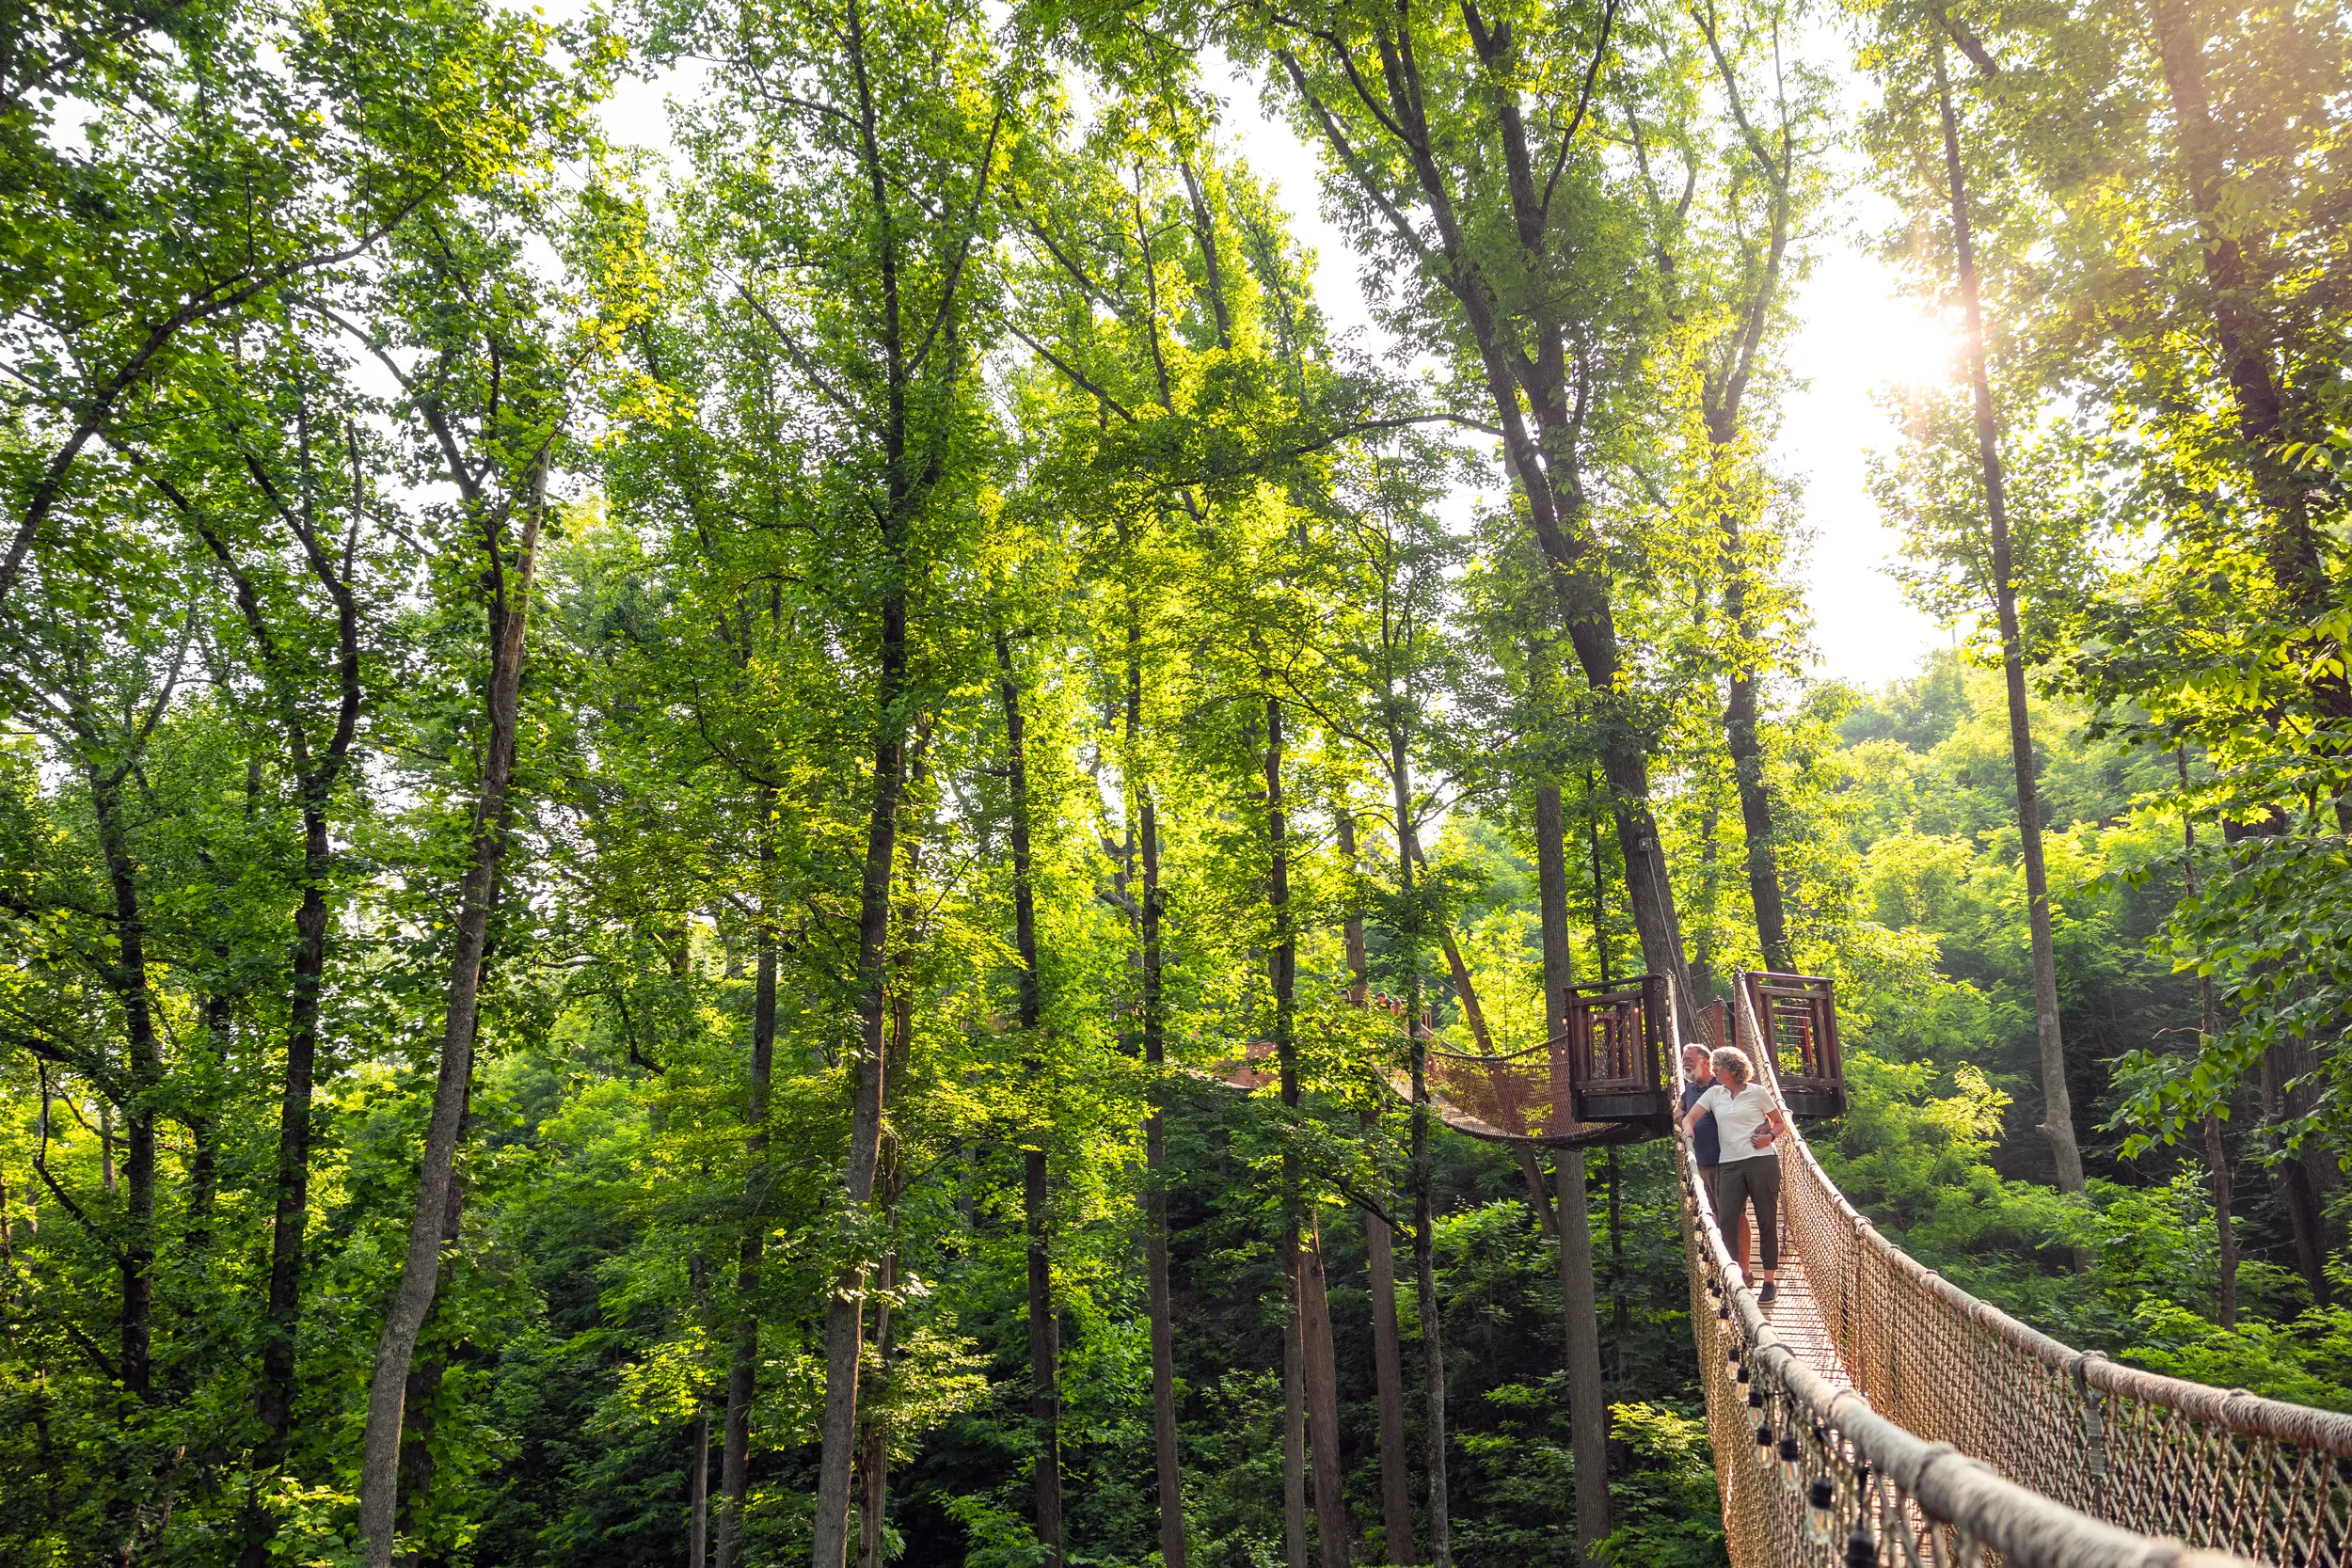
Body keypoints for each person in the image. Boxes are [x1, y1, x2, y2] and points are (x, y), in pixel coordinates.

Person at [1678, 1045, 1786, 1302]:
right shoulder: (1715, 1094)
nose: (1713, 1070)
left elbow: (1780, 1122)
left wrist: (1769, 1137)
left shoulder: (1758, 1093)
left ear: (1732, 1069)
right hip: (1729, 1164)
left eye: (1718, 1066)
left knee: (1766, 1220)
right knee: (1726, 1220)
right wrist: (1687, 1129)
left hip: (1761, 1162)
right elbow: (1690, 1118)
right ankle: (1736, 1275)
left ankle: (1769, 1282)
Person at [1677, 1043, 1747, 1267]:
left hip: (1726, 1162)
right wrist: (1686, 1124)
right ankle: (1724, 1264)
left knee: (1735, 1217)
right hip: (1701, 1165)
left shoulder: (1722, 1084)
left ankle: (1744, 1270)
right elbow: (1678, 1112)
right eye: (1683, 1060)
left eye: (1690, 1059)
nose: (1685, 1063)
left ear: (1706, 1062)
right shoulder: (1689, 1089)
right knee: (1713, 1215)